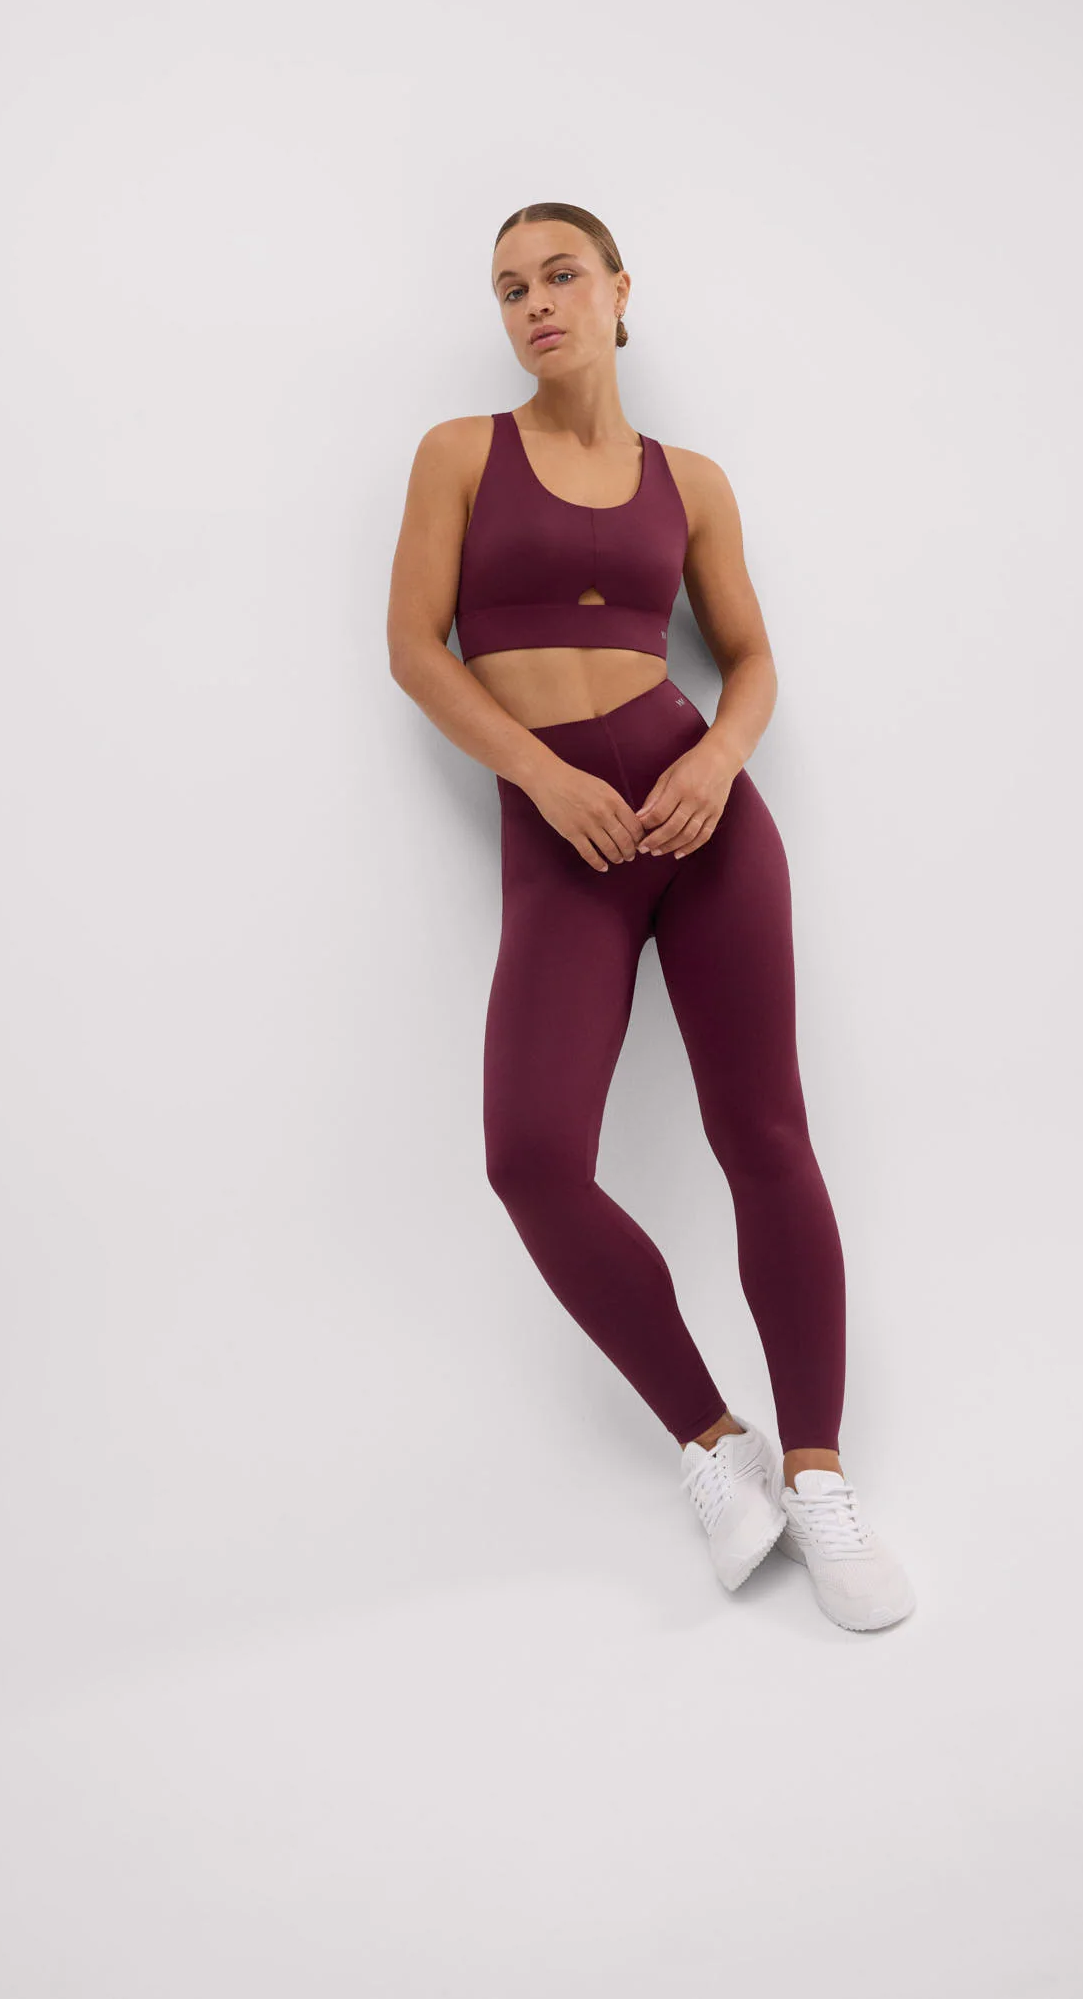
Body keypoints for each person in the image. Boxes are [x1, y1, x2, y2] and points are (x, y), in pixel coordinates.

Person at [386, 202, 914, 1632]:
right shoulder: (458, 453)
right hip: (568, 834)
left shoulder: (694, 482)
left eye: (562, 275)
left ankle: (819, 1471)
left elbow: (749, 658)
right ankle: (711, 1440)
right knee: (530, 1158)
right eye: (510, 288)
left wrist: (720, 758)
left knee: (766, 1133)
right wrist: (541, 774)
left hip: (701, 817)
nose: (536, 304)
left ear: (621, 292)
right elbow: (416, 652)